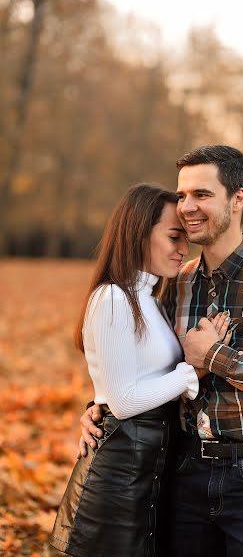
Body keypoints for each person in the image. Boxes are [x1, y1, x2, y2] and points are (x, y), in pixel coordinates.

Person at [79, 146, 243, 557]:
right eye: (183, 195)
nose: (187, 207)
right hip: (181, 469)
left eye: (202, 195)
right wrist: (101, 405)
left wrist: (215, 356)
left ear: (238, 198)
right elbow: (143, 359)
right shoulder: (177, 281)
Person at [49, 183, 231, 557]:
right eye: (173, 236)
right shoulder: (113, 298)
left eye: (186, 238)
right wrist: (192, 370)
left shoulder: (149, 298)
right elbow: (123, 400)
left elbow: (134, 379)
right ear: (138, 232)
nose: (183, 249)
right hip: (115, 480)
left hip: (149, 473)